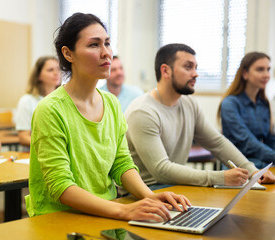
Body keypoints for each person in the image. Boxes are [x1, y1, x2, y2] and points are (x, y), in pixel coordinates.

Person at [25, 13, 191, 223]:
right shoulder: (50, 109)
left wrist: (150, 196)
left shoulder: (111, 103)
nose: (106, 53)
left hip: (106, 213)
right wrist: (124, 211)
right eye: (94, 45)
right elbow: (61, 187)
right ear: (68, 53)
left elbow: (121, 163)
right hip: (60, 219)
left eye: (108, 43)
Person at [123, 44, 275, 191]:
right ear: (166, 71)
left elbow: (217, 143)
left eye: (196, 67)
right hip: (145, 191)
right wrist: (220, 177)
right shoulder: (143, 111)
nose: (196, 73)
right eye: (188, 67)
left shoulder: (189, 103)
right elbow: (161, 170)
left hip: (173, 186)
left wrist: (252, 171)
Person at [218, 52, 275, 169]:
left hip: (263, 165)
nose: (266, 74)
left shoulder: (264, 103)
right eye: (260, 69)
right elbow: (248, 143)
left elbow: (272, 142)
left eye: (268, 69)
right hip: (239, 169)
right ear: (245, 74)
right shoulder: (230, 104)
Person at [15, 56, 61, 150]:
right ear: (39, 76)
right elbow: (23, 138)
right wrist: (51, 147)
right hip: (36, 154)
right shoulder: (27, 101)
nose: (56, 73)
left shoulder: (64, 99)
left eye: (58, 69)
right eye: (50, 70)